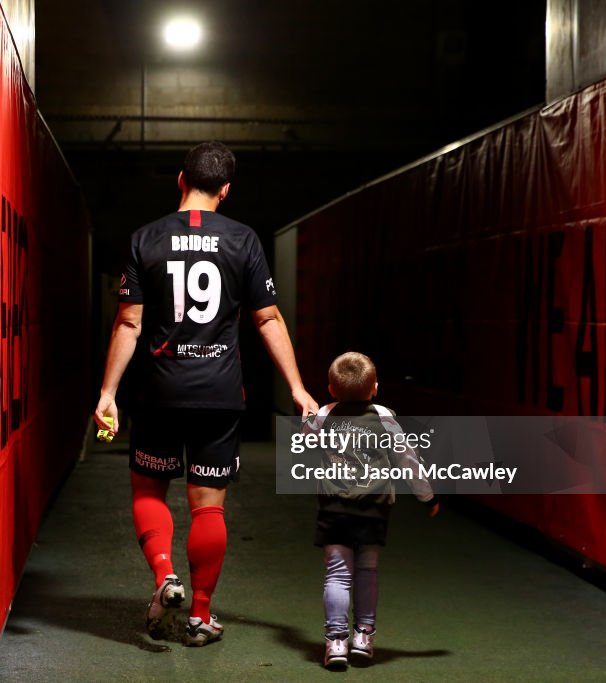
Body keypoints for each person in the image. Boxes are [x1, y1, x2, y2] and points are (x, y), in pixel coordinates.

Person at [93, 141, 318, 646]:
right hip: (219, 394)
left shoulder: (145, 238)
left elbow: (129, 322)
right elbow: (267, 318)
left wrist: (108, 393)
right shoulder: (243, 240)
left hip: (158, 393)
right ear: (226, 189)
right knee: (208, 508)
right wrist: (299, 389)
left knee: (149, 490)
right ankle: (199, 616)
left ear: (180, 179)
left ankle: (163, 575)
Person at [305, 351, 439, 670]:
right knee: (367, 570)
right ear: (374, 387)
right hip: (374, 508)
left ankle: (336, 642)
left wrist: (309, 418)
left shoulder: (325, 414)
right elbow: (408, 459)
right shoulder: (384, 416)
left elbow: (307, 440)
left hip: (334, 506)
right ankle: (363, 635)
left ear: (332, 389)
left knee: (337, 574)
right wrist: (428, 496)